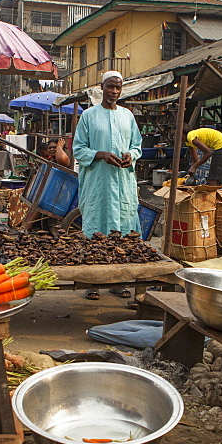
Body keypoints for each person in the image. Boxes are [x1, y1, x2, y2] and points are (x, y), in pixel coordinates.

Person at [72, 70, 142, 301]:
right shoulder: (89, 116)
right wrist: (99, 154)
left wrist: (131, 155)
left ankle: (118, 281)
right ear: (102, 87)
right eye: (110, 86)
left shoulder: (127, 116)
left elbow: (137, 145)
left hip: (123, 183)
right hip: (98, 184)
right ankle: (92, 282)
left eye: (118, 87)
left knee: (122, 231)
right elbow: (78, 149)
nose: (114, 91)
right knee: (96, 229)